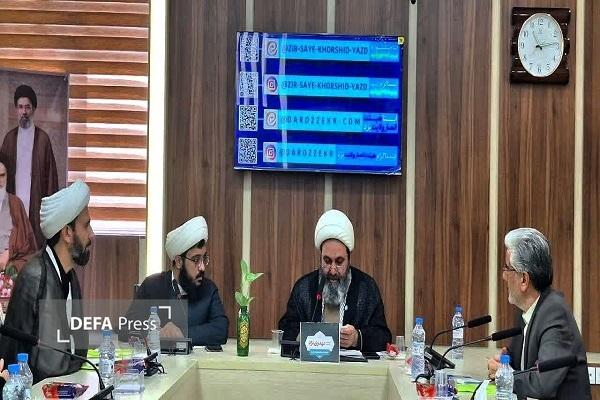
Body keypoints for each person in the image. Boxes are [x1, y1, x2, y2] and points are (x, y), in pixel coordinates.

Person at [0, 180, 93, 384]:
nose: (91, 234)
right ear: (67, 233)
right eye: (86, 226)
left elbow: (76, 349)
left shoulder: (70, 276)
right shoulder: (35, 275)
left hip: (69, 387)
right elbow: (14, 353)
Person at [487, 228, 591, 399]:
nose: (504, 276)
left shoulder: (554, 314)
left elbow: (543, 383)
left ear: (524, 279)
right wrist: (505, 362)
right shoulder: (528, 310)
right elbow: (520, 363)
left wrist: (503, 375)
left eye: (507, 268)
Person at [278, 209, 391, 352]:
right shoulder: (304, 287)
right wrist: (306, 336)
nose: (332, 270)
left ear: (349, 259)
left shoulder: (366, 287)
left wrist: (356, 338)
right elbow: (285, 329)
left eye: (339, 262)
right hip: (312, 364)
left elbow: (383, 336)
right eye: (327, 261)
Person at [119, 216, 228, 346]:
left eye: (204, 259)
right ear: (179, 261)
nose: (202, 267)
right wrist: (155, 333)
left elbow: (221, 329)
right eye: (196, 260)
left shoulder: (209, 289)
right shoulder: (151, 286)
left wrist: (182, 334)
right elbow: (125, 328)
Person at [0, 84, 59, 249]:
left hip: (36, 208)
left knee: (34, 253)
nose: (24, 112)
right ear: (16, 110)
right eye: (20, 107)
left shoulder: (43, 140)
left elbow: (51, 181)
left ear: (33, 109)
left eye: (27, 107)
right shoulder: (9, 139)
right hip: (13, 208)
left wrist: (50, 217)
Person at [0, 159, 37, 272]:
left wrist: (9, 253)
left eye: (2, 175)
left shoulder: (16, 204)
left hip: (10, 268)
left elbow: (28, 245)